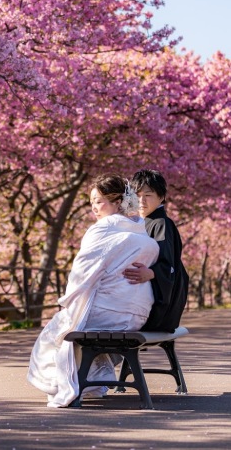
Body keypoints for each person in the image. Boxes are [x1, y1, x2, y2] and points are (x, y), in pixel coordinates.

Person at [27, 174, 160, 408]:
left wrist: (68, 301)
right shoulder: (141, 232)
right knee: (69, 326)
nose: (94, 208)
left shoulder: (102, 231)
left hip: (108, 313)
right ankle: (91, 384)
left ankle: (71, 384)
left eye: (98, 201)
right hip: (136, 315)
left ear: (118, 202)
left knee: (56, 330)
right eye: (91, 202)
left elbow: (81, 274)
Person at [123, 169, 188, 333]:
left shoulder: (161, 224)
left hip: (161, 311)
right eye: (137, 195)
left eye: (148, 195)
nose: (142, 200)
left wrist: (152, 273)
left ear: (161, 196)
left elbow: (168, 266)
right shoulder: (141, 222)